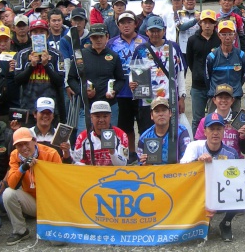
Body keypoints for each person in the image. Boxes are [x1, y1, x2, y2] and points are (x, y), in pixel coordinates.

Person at [180, 112, 240, 241]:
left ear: (224, 131)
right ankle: (201, 222)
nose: (215, 133)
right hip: (199, 190)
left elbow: (236, 180)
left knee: (241, 191)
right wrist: (197, 162)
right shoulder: (194, 147)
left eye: (219, 129)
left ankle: (226, 223)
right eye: (211, 129)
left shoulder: (231, 153)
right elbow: (182, 172)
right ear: (204, 131)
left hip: (221, 190)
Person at [2, 127, 63, 245]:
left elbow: (59, 183)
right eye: (19, 145)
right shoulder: (14, 155)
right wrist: (23, 168)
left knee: (57, 242)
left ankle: (54, 222)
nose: (24, 148)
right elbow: (11, 184)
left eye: (26, 143)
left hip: (51, 202)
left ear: (34, 141)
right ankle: (20, 231)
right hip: (31, 201)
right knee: (8, 194)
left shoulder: (51, 153)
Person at [66, 23, 126, 128]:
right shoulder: (80, 55)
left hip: (109, 106)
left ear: (107, 37)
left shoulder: (114, 56)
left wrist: (114, 91)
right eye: (95, 37)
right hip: (87, 106)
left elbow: (121, 79)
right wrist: (82, 92)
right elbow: (71, 79)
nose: (98, 40)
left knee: (108, 140)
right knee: (84, 139)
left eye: (101, 37)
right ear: (90, 38)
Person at [131, 16, 186, 129]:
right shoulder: (140, 49)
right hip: (147, 100)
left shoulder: (173, 47)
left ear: (164, 31)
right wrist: (132, 83)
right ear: (147, 31)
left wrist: (182, 97)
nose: (155, 34)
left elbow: (180, 73)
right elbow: (134, 71)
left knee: (170, 133)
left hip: (169, 99)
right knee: (148, 133)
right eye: (152, 31)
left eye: (158, 31)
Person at [108, 10, 147, 159]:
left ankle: (144, 153)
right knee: (125, 126)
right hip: (122, 91)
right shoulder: (112, 43)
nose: (126, 25)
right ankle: (130, 153)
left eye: (129, 22)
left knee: (144, 125)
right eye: (122, 22)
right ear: (118, 25)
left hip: (142, 91)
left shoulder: (144, 41)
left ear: (135, 23)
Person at [14, 19, 66, 118]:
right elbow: (17, 80)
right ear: (30, 35)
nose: (38, 35)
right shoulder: (22, 54)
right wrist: (31, 66)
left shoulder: (57, 54)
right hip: (28, 107)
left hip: (51, 108)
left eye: (42, 32)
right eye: (35, 32)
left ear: (47, 34)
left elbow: (60, 81)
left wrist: (46, 65)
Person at [185, 10, 220, 132]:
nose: (207, 25)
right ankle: (196, 144)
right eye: (205, 22)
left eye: (210, 22)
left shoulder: (219, 40)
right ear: (200, 23)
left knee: (214, 118)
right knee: (197, 119)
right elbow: (189, 60)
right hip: (197, 85)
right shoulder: (192, 40)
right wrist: (197, 73)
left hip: (215, 85)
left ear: (215, 24)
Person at [194, 84, 245, 159]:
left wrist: (243, 137)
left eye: (227, 98)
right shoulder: (205, 121)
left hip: (234, 162)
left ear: (232, 100)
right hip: (211, 161)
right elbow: (197, 146)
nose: (223, 100)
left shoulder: (239, 120)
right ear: (214, 100)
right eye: (220, 97)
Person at [204, 20, 245, 111]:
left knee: (234, 124)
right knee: (213, 123)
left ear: (235, 35)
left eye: (230, 34)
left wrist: (235, 90)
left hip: (235, 96)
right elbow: (207, 78)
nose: (227, 37)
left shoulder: (241, 55)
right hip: (215, 97)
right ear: (219, 35)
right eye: (223, 34)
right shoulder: (211, 56)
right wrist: (215, 94)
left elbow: (243, 76)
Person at [72, 101, 129, 166]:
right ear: (91, 117)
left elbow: (123, 164)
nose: (101, 120)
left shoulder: (121, 135)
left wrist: (112, 152)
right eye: (97, 116)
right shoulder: (82, 137)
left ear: (110, 116)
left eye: (105, 116)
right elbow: (76, 163)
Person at [137, 97, 192, 164]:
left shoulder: (181, 132)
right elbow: (139, 165)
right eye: (157, 111)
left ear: (170, 113)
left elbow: (188, 158)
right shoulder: (144, 137)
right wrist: (143, 164)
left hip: (177, 172)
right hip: (154, 173)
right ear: (151, 115)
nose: (161, 114)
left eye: (164, 110)